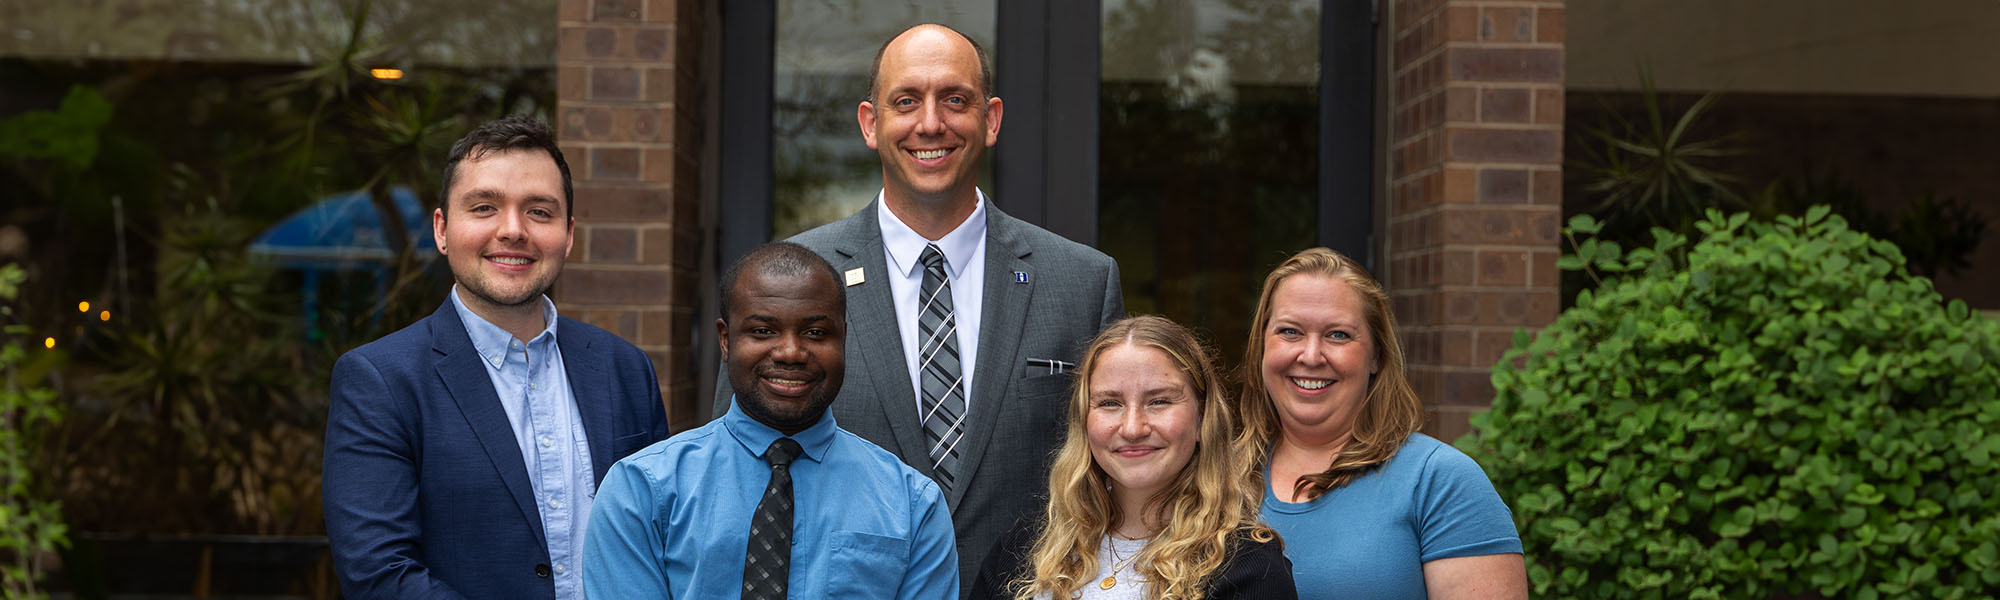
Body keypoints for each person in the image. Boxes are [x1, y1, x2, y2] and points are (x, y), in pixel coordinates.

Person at [713, 23, 1124, 588]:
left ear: (992, 119)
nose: (931, 123)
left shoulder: (1082, 282)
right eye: (906, 101)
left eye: (955, 99)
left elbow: (1123, 478)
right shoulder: (790, 278)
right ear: (870, 123)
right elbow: (730, 465)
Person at [321, 115, 670, 599]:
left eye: (539, 212)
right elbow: (380, 574)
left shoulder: (625, 369)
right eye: (484, 207)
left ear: (568, 235)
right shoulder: (381, 380)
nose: (513, 230)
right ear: (442, 229)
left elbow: (661, 545)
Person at [589, 242, 958, 599]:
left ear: (843, 339)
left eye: (815, 333)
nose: (791, 353)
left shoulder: (913, 505)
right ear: (725, 339)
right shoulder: (641, 492)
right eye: (763, 331)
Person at [1242, 248, 1526, 599]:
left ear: (1376, 355)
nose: (1311, 356)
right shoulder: (1216, 476)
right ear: (1261, 347)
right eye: (1290, 332)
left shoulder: (1439, 482)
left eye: (1338, 335)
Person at [971, 315, 1295, 600]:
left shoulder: (1249, 566)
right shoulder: (1024, 549)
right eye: (1110, 403)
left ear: (1202, 419)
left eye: (1159, 401)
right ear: (1084, 421)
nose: (1132, 427)